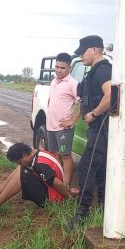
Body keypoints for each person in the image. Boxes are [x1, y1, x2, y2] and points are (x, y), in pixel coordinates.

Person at [70, 35, 112, 225]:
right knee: (101, 168)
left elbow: (111, 95)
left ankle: (82, 211)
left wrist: (94, 114)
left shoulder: (102, 70)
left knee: (87, 166)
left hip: (101, 126)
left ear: (94, 50)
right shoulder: (94, 71)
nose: (81, 57)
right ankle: (104, 209)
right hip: (98, 127)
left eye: (83, 52)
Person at [0, 142, 78, 213]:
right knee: (22, 168)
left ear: (25, 156)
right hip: (53, 191)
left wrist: (69, 198)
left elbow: (57, 184)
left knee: (23, 173)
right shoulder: (38, 152)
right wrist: (68, 189)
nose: (19, 164)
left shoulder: (38, 165)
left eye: (19, 161)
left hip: (54, 199)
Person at [46, 52, 79, 187]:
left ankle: (66, 186)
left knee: (65, 156)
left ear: (69, 68)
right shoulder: (54, 81)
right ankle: (58, 183)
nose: (59, 70)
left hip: (63, 129)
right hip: (50, 126)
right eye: (57, 67)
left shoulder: (73, 83)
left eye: (62, 68)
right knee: (55, 155)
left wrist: (72, 120)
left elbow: (82, 104)